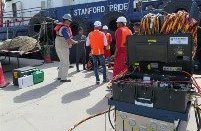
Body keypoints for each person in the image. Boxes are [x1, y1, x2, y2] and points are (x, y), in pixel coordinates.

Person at [54, 14, 78, 82]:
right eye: (69, 21)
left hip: (57, 44)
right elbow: (68, 39)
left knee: (61, 61)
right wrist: (75, 42)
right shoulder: (64, 28)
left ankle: (60, 76)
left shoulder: (59, 26)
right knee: (66, 62)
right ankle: (64, 78)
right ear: (66, 20)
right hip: (62, 45)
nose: (70, 22)